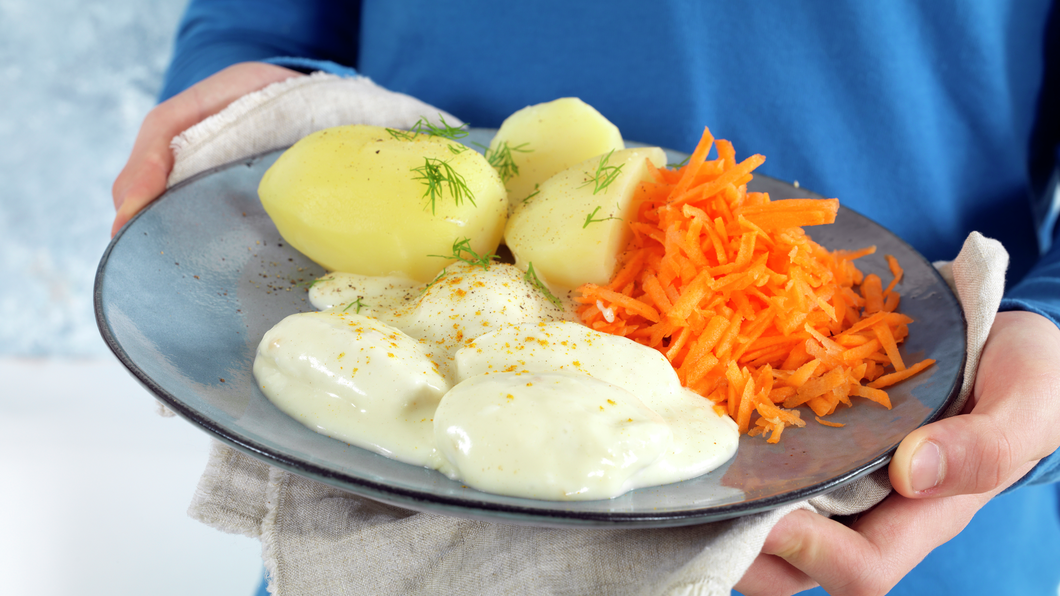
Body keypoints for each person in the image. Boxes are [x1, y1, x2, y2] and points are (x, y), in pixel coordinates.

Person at [111, 1, 1060, 594]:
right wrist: (253, 107)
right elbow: (263, 20)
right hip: (406, 506)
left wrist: (1050, 324)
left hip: (912, 501)